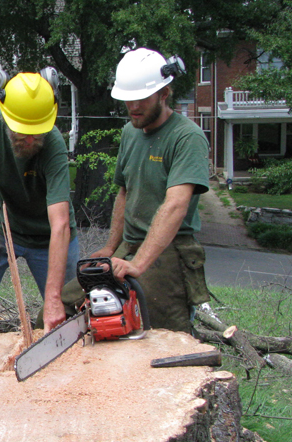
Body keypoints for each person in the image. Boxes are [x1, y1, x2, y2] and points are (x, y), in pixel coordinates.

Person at [64, 48, 211, 333]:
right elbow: (124, 193)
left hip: (169, 249)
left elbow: (175, 206)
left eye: (141, 98)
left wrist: (140, 263)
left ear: (164, 93)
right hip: (127, 245)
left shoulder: (187, 137)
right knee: (68, 303)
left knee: (162, 332)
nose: (133, 106)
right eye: (127, 99)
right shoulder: (131, 132)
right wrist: (110, 246)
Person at [0, 70, 80, 338]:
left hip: (48, 235)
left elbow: (60, 223)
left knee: (68, 314)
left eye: (37, 132)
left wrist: (54, 297)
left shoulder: (54, 144)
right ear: (5, 116)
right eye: (22, 132)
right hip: (4, 222)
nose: (30, 140)